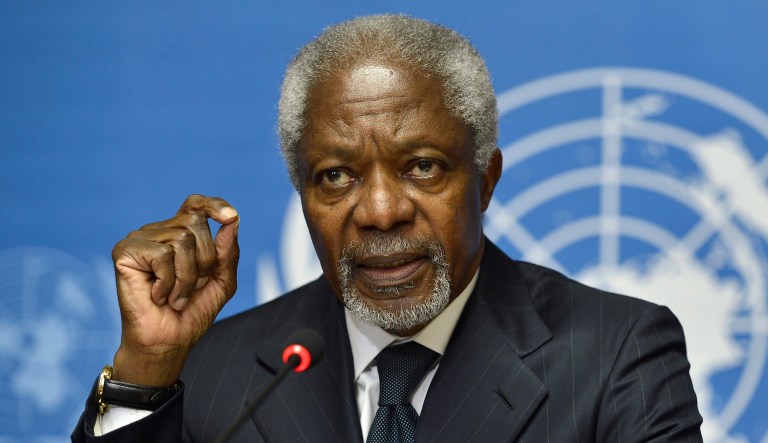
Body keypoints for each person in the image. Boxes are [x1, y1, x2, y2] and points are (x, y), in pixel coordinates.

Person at [72, 14, 703, 442]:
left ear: (487, 179)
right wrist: (148, 368)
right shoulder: (220, 369)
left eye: (422, 167)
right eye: (337, 176)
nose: (379, 211)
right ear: (301, 193)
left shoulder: (616, 353)